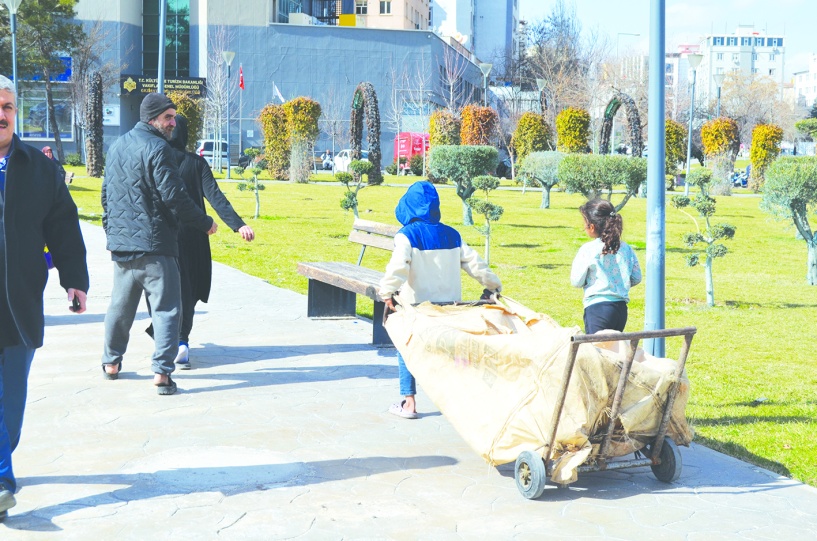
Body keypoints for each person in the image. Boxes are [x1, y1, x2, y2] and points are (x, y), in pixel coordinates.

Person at [0, 74, 89, 521]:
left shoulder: (40, 168)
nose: (1, 115)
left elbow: (63, 226)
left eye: (7, 106)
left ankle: (3, 456)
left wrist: (75, 279)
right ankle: (2, 480)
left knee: (12, 404)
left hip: (19, 300)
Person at [101, 93, 216, 395]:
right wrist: (205, 222)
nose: (173, 123)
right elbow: (174, 196)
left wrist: (112, 233)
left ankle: (111, 362)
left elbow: (106, 196)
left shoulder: (117, 146)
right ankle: (162, 374)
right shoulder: (158, 148)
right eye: (168, 117)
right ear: (152, 119)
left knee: (120, 307)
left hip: (123, 246)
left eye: (174, 117)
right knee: (166, 310)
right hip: (156, 246)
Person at [378, 181, 502, 419]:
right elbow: (475, 264)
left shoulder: (407, 235)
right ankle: (458, 400)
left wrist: (387, 292)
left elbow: (399, 266)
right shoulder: (452, 235)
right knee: (451, 353)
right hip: (450, 309)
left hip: (418, 309)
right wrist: (493, 286)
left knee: (405, 347)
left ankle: (409, 403)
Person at [146, 113, 254, 368]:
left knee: (158, 289)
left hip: (159, 235)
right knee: (189, 289)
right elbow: (215, 196)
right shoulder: (196, 163)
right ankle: (181, 340)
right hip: (193, 235)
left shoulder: (153, 158)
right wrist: (238, 224)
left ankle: (165, 337)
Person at [570, 199, 642, 334]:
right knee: (614, 346)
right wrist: (619, 283)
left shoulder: (588, 249)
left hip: (597, 309)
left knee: (597, 347)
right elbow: (637, 277)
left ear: (592, 227)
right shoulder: (625, 248)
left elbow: (576, 281)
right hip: (621, 310)